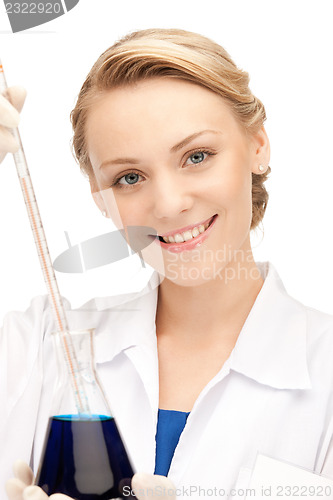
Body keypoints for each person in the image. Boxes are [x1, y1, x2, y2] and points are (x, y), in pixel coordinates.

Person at [1, 28, 333, 500]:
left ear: (258, 145)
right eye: (129, 177)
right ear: (100, 197)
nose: (169, 204)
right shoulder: (36, 348)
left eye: (196, 156)